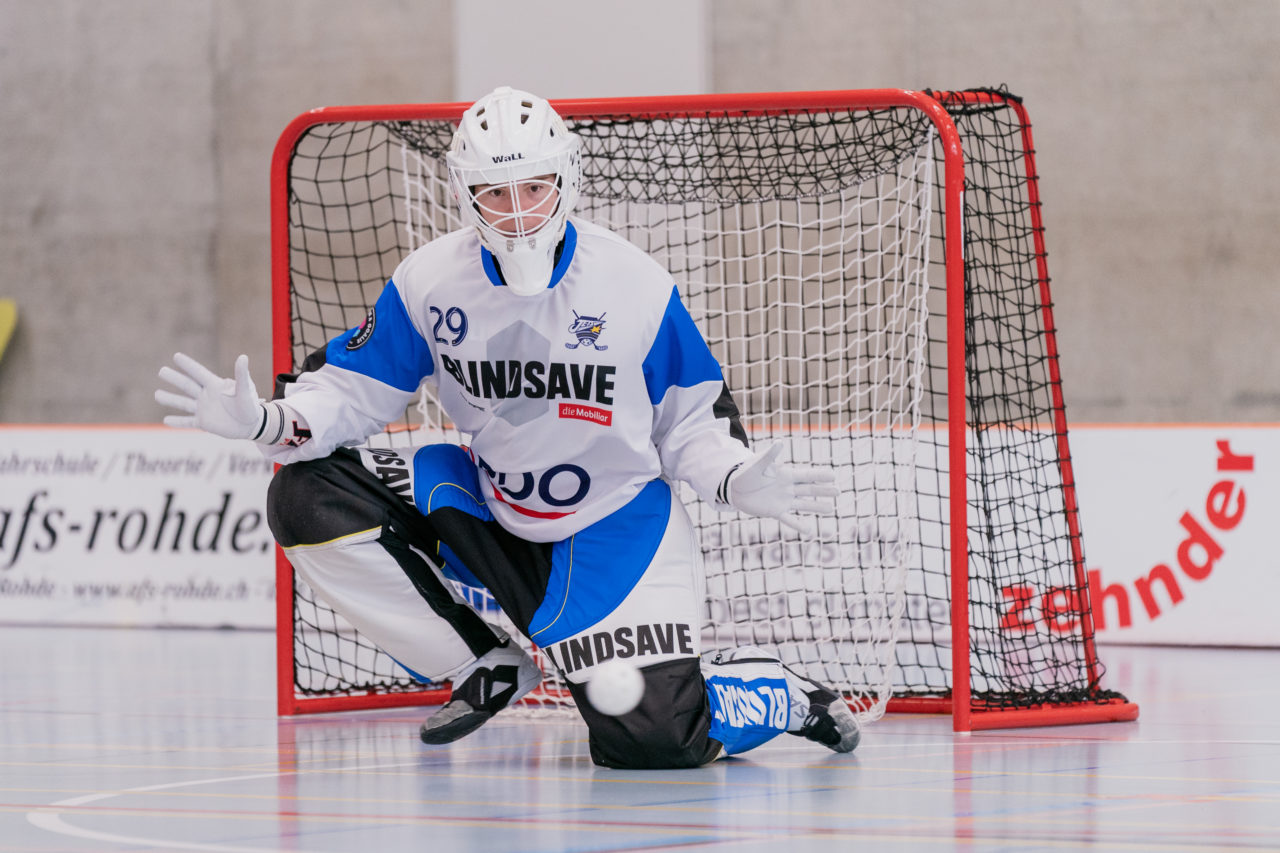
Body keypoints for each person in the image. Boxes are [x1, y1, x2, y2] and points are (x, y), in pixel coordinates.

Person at [156, 86, 859, 769]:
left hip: (615, 533)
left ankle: (770, 692)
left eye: (534, 187)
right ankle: (483, 659)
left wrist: (734, 477)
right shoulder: (429, 282)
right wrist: (266, 421)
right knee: (304, 497)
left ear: (566, 181)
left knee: (652, 741)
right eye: (496, 192)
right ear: (467, 195)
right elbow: (351, 390)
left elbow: (690, 421)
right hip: (491, 517)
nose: (518, 213)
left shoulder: (635, 287)